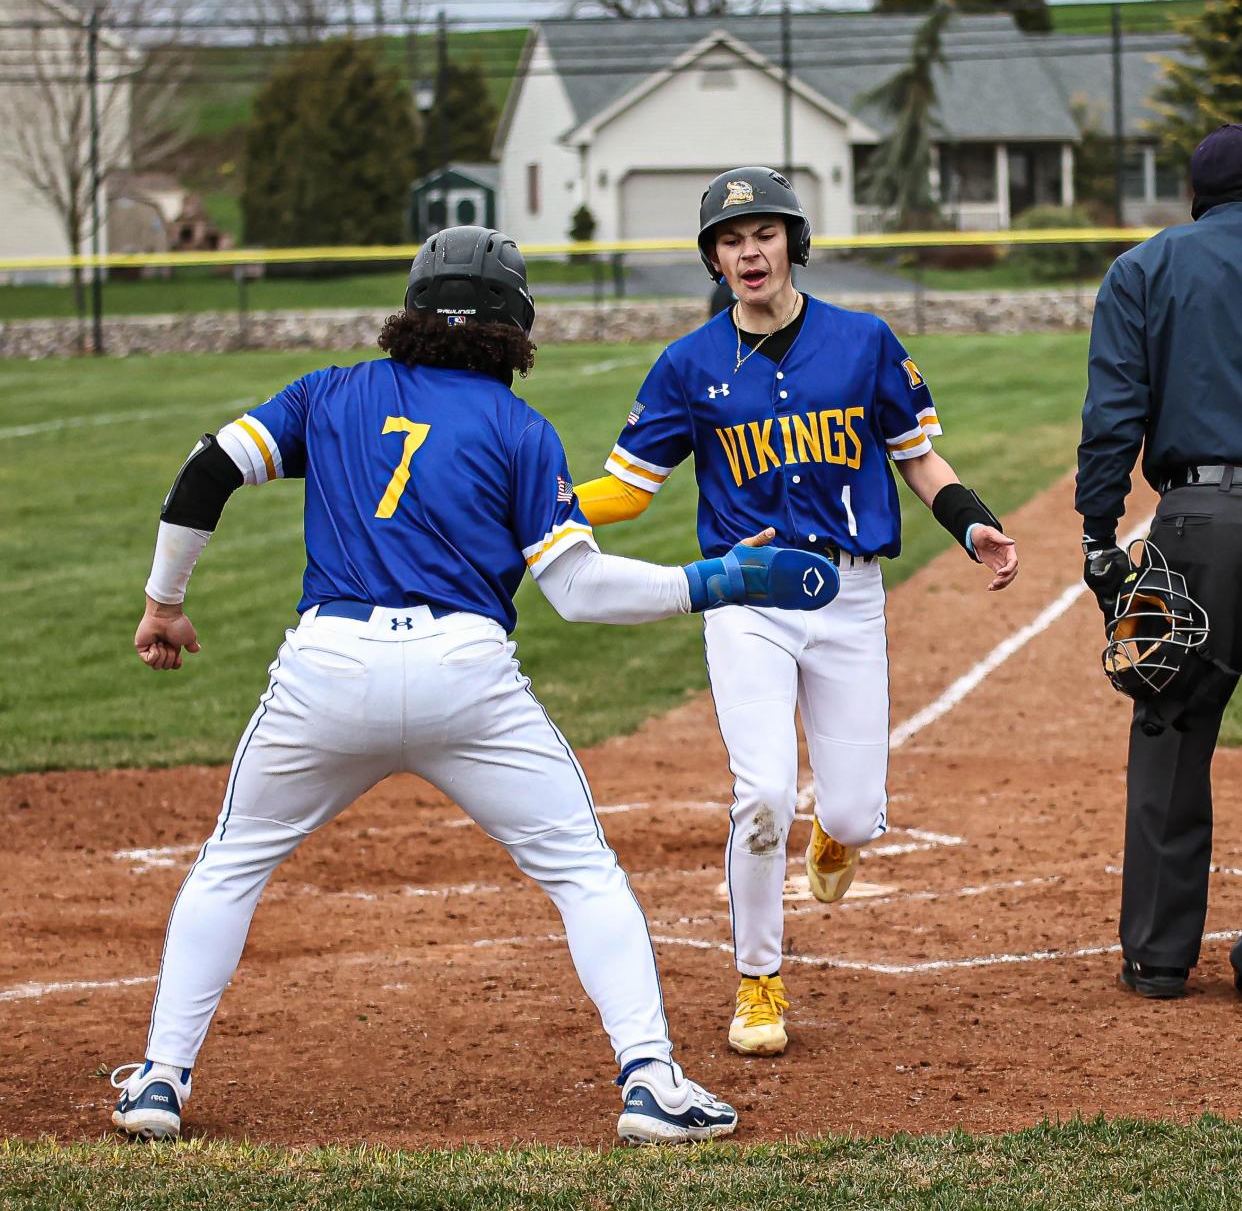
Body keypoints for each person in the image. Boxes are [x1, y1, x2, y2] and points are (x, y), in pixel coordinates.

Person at [110, 225, 838, 1145]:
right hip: (466, 676)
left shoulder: (329, 393)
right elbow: (575, 591)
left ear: (411, 310)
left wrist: (163, 603)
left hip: (327, 669)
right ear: (515, 327)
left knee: (231, 864)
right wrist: (715, 581)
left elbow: (209, 469)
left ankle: (159, 1082)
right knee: (582, 871)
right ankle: (650, 1077)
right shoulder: (519, 429)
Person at [575, 168, 1018, 1056]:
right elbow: (626, 493)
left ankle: (836, 833)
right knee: (764, 789)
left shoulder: (865, 343)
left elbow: (920, 460)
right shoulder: (688, 365)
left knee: (852, 815)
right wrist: (528, 506)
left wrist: (974, 525)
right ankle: (759, 983)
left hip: (850, 597)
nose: (749, 251)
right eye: (730, 240)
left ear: (793, 244)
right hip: (747, 595)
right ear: (713, 259)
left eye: (764, 234)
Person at [1077, 123, 1242, 1001]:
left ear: (1196, 194)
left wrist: (1102, 538)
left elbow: (1113, 414)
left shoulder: (1145, 267)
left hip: (1197, 522)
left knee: (1171, 728)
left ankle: (1160, 955)